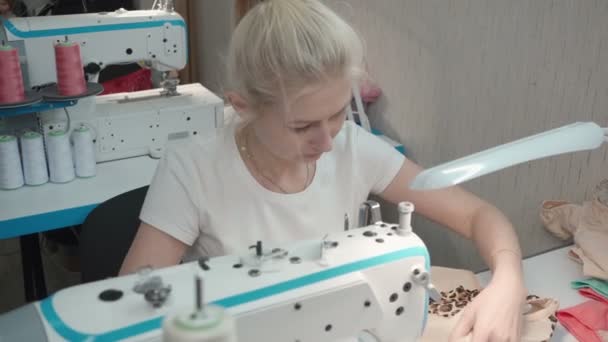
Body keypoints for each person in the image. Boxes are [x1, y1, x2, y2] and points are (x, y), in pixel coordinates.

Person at [120, 0, 526, 340]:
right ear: (242, 106)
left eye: (336, 114)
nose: (328, 142)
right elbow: (130, 307)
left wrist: (507, 281)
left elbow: (477, 215)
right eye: (302, 126)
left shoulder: (352, 148)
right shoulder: (192, 171)